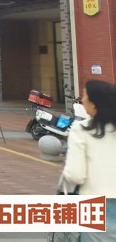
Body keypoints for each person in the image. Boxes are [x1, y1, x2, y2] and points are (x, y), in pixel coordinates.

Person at [61, 80, 116, 241]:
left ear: (94, 103)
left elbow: (75, 175)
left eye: (85, 96)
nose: (82, 99)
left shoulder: (81, 129)